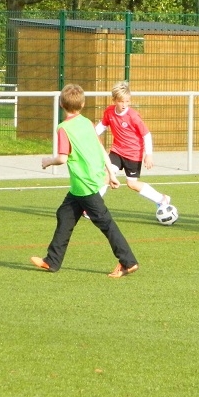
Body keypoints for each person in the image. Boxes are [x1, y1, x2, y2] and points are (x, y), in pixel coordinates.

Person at [31, 84, 139, 278]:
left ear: (62, 104)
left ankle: (128, 261)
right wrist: (111, 174)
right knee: (65, 215)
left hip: (84, 185)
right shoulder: (87, 122)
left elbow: (62, 158)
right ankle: (52, 261)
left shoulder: (63, 128)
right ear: (82, 104)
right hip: (85, 183)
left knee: (105, 223)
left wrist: (48, 161)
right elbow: (101, 149)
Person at [96, 81, 172, 213]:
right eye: (121, 101)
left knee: (132, 184)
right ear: (114, 100)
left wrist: (149, 154)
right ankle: (93, 208)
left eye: (127, 101)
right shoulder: (109, 112)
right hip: (116, 151)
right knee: (106, 176)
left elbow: (146, 134)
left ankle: (161, 199)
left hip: (133, 154)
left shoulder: (133, 116)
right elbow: (102, 126)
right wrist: (90, 135)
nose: (124, 105)